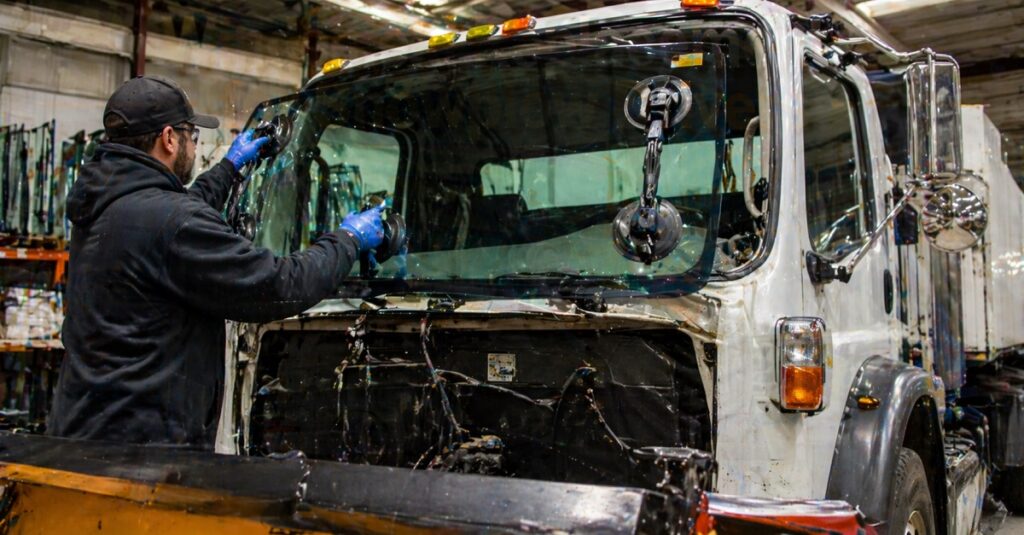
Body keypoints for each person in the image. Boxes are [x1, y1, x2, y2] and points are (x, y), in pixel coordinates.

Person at [48, 75, 385, 449]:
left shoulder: (105, 205)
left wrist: (230, 168)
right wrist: (348, 240)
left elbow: (175, 217)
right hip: (144, 456)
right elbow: (279, 285)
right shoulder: (170, 222)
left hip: (83, 436)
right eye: (192, 135)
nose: (195, 144)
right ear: (169, 138)